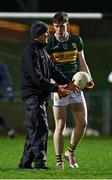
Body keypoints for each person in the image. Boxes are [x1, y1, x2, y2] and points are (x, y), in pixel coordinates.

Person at [18, 20, 78, 170]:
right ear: (38, 34)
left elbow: (53, 71)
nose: (48, 34)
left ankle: (25, 164)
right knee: (42, 128)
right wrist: (57, 89)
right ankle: (40, 163)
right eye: (46, 32)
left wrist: (69, 83)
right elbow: (38, 79)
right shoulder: (30, 53)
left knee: (35, 129)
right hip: (33, 96)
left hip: (40, 96)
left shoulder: (42, 51)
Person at [46, 12, 94, 169]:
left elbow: (82, 63)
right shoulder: (50, 43)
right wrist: (57, 86)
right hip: (60, 89)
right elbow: (47, 69)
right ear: (53, 26)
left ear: (68, 24)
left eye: (62, 26)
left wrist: (89, 79)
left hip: (76, 86)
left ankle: (70, 152)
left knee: (83, 123)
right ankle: (59, 160)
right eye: (56, 26)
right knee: (60, 125)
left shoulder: (76, 40)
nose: (59, 29)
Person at [0, 59, 16, 138]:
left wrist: (8, 89)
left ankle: (9, 130)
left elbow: (6, 77)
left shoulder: (1, 64)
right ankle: (10, 130)